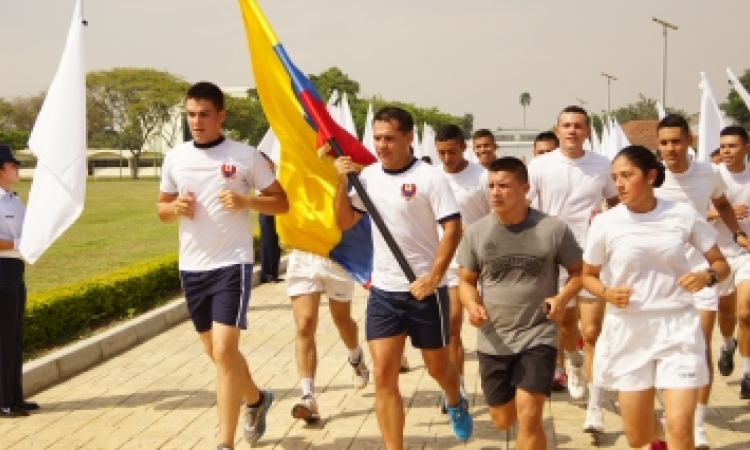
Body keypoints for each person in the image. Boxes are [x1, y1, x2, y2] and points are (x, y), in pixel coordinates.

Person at [157, 82, 289, 450]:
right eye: (191, 114)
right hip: (192, 266)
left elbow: (281, 203)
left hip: (232, 265)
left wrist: (247, 200)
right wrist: (175, 209)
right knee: (216, 353)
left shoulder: (246, 156)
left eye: (203, 114)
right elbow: (162, 209)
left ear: (221, 115)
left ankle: (225, 442)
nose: (196, 121)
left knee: (226, 350)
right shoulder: (176, 158)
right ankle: (257, 399)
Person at [333, 106, 473, 449]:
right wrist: (340, 183)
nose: (381, 145)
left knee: (439, 368)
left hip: (426, 291)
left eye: (389, 138)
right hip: (384, 292)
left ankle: (455, 398)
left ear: (408, 138)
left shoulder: (430, 178)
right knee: (383, 374)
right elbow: (343, 222)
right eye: (377, 138)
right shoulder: (367, 178)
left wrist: (434, 276)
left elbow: (452, 229)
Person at [582, 145, 729, 450]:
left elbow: (721, 264)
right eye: (614, 177)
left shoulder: (682, 215)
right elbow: (587, 275)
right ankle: (659, 438)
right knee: (637, 437)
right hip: (629, 328)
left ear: (650, 175)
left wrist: (706, 277)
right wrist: (608, 293)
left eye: (626, 175)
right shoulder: (605, 223)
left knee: (680, 426)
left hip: (678, 326)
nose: (618, 184)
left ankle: (673, 434)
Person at [458, 156, 583, 449]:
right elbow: (466, 281)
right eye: (490, 186)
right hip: (494, 339)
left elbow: (580, 273)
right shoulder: (476, 232)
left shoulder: (553, 229)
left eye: (503, 185)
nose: (495, 193)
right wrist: (472, 305)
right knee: (503, 420)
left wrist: (561, 297)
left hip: (537, 334)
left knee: (529, 416)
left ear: (525, 188)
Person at [655, 114, 750, 448]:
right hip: (660, 277)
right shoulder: (651, 176)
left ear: (689, 141)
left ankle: (697, 423)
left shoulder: (708, 173)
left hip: (700, 272)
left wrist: (737, 233)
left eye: (676, 141)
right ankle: (671, 407)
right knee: (665, 348)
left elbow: (722, 203)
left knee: (699, 345)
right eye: (664, 142)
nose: (670, 149)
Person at [527, 106, 618, 433]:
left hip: (593, 258)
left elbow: (615, 204)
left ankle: (595, 408)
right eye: (566, 125)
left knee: (593, 332)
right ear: (557, 128)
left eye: (578, 126)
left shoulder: (602, 166)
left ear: (587, 131)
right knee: (565, 325)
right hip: (554, 258)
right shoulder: (539, 166)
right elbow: (525, 208)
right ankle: (573, 363)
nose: (572, 131)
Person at [435, 123, 490, 411]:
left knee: (492, 324)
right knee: (452, 325)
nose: (446, 159)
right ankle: (459, 389)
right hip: (451, 262)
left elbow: (499, 216)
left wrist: (473, 231)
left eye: (452, 152)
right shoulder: (432, 178)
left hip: (484, 261)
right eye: (441, 153)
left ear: (463, 148)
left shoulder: (482, 177)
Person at [285, 247, 370, 422]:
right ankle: (308, 397)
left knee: (343, 321)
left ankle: (355, 357)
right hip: (302, 254)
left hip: (337, 255)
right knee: (304, 325)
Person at [711, 126, 750, 400]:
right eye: (723, 146)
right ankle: (727, 344)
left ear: (746, 148)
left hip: (746, 254)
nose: (726, 151)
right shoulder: (712, 177)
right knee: (726, 314)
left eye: (732, 146)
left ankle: (747, 374)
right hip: (718, 255)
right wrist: (723, 211)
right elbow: (695, 212)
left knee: (746, 311)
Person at [0, 145, 38, 418]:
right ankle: (3, 401)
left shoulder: (13, 199)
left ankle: (15, 396)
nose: (17, 168)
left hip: (15, 271)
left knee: (14, 337)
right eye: (12, 165)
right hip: (1, 272)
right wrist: (18, 243)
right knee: (3, 338)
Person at [258, 153, 282, 283]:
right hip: (265, 209)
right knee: (268, 241)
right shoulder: (262, 175)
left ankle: (273, 272)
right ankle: (266, 274)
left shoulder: (274, 174)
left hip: (275, 209)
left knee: (275, 241)